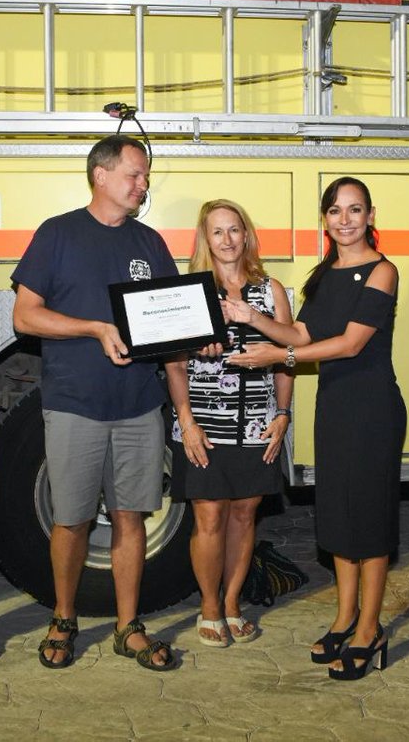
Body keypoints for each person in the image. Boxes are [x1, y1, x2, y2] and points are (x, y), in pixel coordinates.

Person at [12, 135, 184, 672]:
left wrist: (195, 332)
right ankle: (63, 619)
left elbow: (171, 320)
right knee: (71, 521)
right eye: (134, 174)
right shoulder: (57, 234)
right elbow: (24, 317)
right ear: (101, 175)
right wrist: (92, 328)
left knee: (131, 518)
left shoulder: (151, 244)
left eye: (146, 176)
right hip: (74, 405)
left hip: (138, 405)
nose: (142, 184)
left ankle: (127, 626)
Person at [229, 176, 405, 681]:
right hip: (334, 409)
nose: (344, 220)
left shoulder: (382, 272)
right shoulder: (325, 274)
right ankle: (345, 618)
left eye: (354, 210)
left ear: (370, 216)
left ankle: (370, 630)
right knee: (340, 519)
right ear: (324, 219)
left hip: (372, 410)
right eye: (335, 210)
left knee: (368, 523)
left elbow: (350, 344)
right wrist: (254, 318)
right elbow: (302, 332)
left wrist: (278, 355)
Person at [165, 199, 294, 648]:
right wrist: (187, 420)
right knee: (210, 518)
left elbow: (288, 359)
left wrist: (282, 416)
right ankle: (209, 606)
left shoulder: (270, 290)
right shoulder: (189, 292)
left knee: (244, 515)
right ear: (206, 239)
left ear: (247, 235)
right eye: (217, 231)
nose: (227, 239)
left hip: (257, 426)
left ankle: (234, 602)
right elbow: (175, 365)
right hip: (204, 426)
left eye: (234, 229)